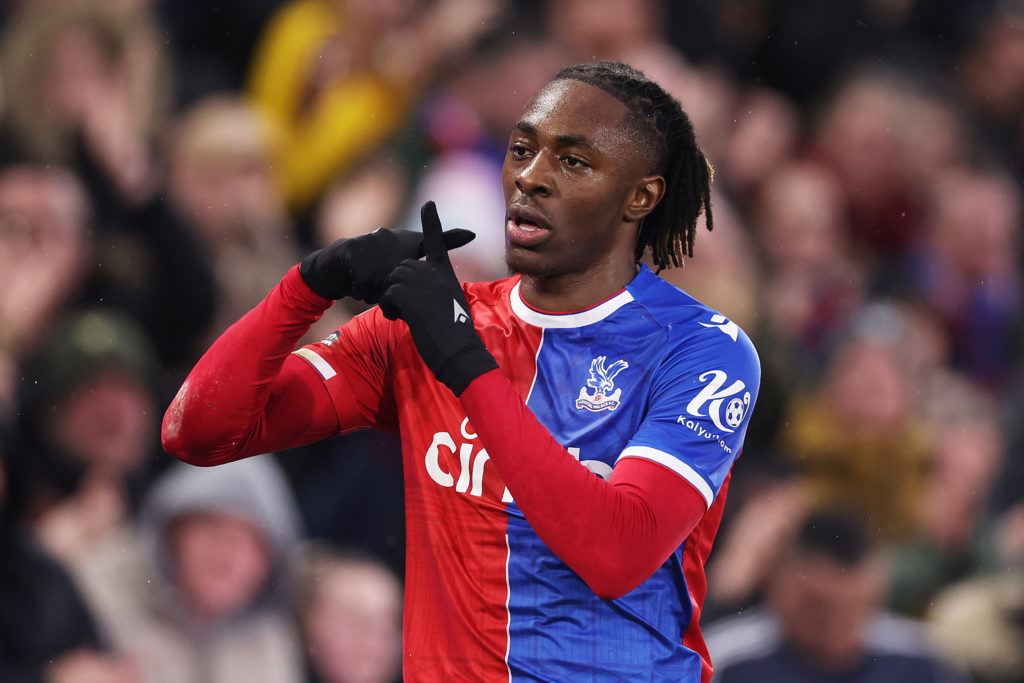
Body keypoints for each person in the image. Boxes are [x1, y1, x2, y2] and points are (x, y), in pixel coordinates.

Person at [164, 61, 760, 681]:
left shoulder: (702, 351)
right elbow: (200, 432)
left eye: (574, 161)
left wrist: (465, 364)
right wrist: (311, 283)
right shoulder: (431, 326)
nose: (531, 178)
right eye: (522, 150)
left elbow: (615, 552)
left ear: (641, 196)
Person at [704, 508, 968, 683]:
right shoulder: (722, 663)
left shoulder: (922, 662)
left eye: (853, 609)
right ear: (779, 583)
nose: (834, 628)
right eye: (818, 609)